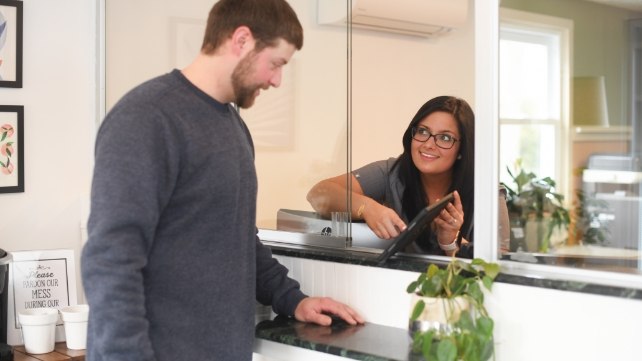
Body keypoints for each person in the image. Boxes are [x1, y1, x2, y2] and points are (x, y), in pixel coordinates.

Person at [81, 1, 363, 360]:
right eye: (276, 64)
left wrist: (293, 299)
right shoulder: (147, 118)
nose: (276, 80)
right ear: (242, 40)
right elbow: (110, 258)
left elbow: (237, 235)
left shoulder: (234, 128)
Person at [307, 96, 510, 258]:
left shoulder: (488, 191)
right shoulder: (392, 172)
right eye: (423, 131)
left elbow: (500, 271)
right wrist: (367, 208)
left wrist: (450, 242)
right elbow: (319, 193)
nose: (429, 144)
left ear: (461, 150)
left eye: (445, 137)